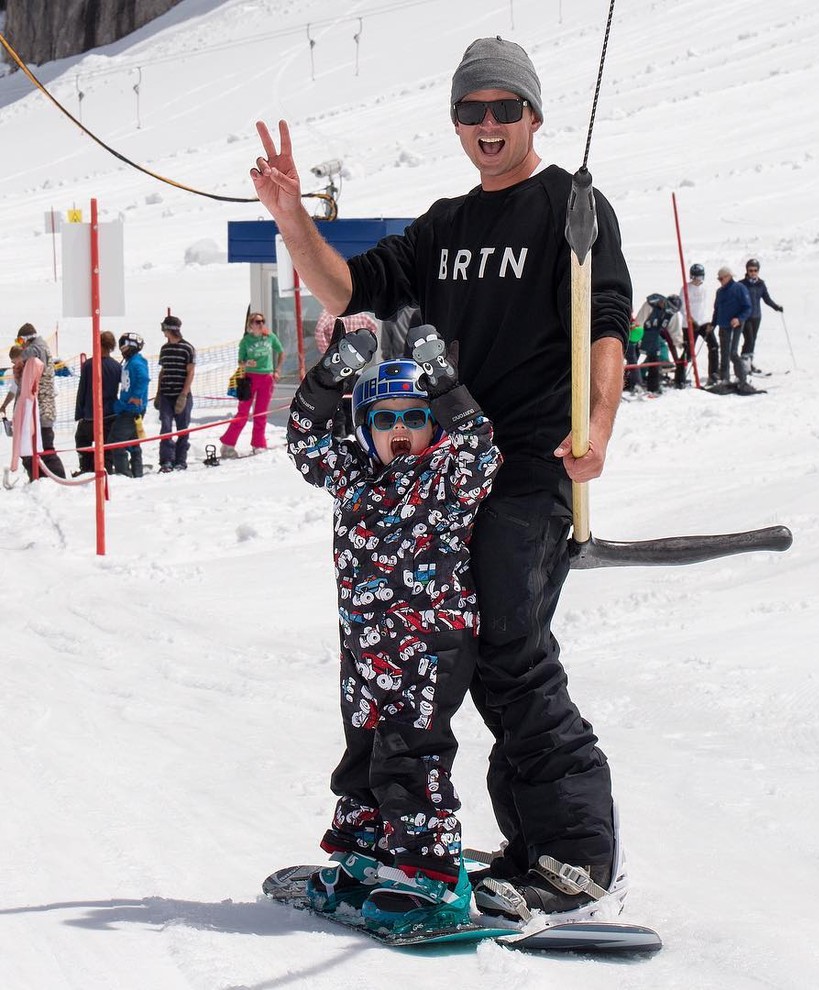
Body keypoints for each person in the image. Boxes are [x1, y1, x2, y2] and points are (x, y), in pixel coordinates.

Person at [252, 35, 632, 921]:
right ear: (456, 122)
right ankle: (515, 843)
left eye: (506, 108)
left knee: (509, 645)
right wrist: (291, 217)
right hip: (442, 479)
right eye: (472, 110)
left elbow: (604, 324)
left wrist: (599, 429)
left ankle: (580, 858)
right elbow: (347, 289)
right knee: (446, 660)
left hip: (534, 467)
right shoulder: (445, 225)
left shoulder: (570, 206)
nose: (489, 124)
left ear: (535, 114)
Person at [286, 322, 501, 933]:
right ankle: (367, 857)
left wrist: (444, 383)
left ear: (433, 423)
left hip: (431, 646)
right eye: (385, 420)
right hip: (364, 648)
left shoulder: (450, 478)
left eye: (414, 416)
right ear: (365, 429)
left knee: (411, 754)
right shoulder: (352, 476)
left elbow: (481, 442)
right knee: (363, 752)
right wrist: (332, 375)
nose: (401, 430)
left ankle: (428, 875)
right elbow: (303, 436)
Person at [219, 311, 284, 457]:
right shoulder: (246, 341)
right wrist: (248, 362)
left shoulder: (269, 337)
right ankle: (227, 444)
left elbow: (281, 351)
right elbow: (240, 361)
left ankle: (258, 443)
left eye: (262, 321)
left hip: (267, 378)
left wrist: (277, 370)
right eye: (257, 322)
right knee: (243, 412)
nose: (260, 324)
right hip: (250, 378)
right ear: (250, 325)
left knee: (261, 413)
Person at [15, 323, 66, 478]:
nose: (21, 347)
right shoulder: (37, 352)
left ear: (26, 339)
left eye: (20, 342)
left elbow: (33, 352)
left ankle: (59, 480)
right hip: (36, 411)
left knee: (46, 449)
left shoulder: (39, 348)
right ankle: (40, 479)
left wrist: (18, 356)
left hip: (43, 409)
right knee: (32, 451)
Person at [73, 330, 121, 475]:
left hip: (90, 415)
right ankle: (105, 469)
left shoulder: (89, 365)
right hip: (110, 414)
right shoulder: (116, 366)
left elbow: (82, 390)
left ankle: (86, 468)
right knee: (106, 446)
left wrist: (79, 413)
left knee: (82, 440)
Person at [154, 315, 196, 472]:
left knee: (182, 428)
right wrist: (159, 393)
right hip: (166, 394)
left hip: (181, 395)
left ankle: (180, 459)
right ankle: (166, 460)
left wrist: (184, 395)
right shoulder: (164, 349)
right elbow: (163, 372)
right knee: (165, 428)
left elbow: (190, 372)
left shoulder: (187, 348)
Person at [107, 333, 149, 477]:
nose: (122, 350)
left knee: (116, 440)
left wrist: (137, 396)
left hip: (131, 409)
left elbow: (144, 379)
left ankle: (124, 473)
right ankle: (137, 472)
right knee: (132, 441)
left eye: (124, 346)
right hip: (126, 407)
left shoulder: (137, 362)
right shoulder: (131, 362)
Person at [711, 267, 754, 394]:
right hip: (723, 325)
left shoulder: (739, 288)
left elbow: (747, 308)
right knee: (724, 353)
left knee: (732, 352)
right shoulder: (719, 292)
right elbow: (717, 310)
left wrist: (739, 319)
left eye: (721, 278)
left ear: (729, 276)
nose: (720, 281)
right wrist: (713, 324)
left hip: (736, 325)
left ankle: (742, 379)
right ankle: (725, 379)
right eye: (718, 279)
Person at [740, 258, 783, 375]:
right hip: (745, 317)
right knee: (748, 339)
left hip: (757, 316)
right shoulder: (741, 284)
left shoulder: (761, 284)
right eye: (750, 270)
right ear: (747, 271)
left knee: (753, 340)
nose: (753, 273)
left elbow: (766, 299)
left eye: (755, 270)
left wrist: (776, 307)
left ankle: (750, 362)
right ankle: (744, 364)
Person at [685, 263, 720, 386]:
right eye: (696, 278)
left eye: (700, 278)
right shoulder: (686, 288)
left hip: (704, 322)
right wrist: (689, 318)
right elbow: (683, 306)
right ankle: (685, 375)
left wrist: (710, 322)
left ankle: (714, 373)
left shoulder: (705, 289)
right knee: (688, 350)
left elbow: (708, 306)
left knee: (714, 346)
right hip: (690, 323)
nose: (698, 280)